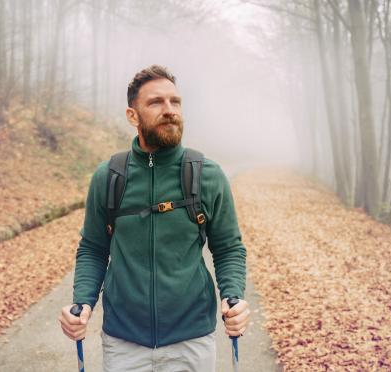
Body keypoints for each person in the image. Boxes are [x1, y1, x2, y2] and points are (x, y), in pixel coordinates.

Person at [59, 65, 250, 371]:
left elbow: (228, 248)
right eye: (155, 102)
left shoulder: (207, 175)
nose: (169, 110)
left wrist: (233, 295)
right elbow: (93, 248)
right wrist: (82, 302)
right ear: (132, 116)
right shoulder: (109, 177)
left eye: (175, 102)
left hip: (193, 340)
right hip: (124, 343)